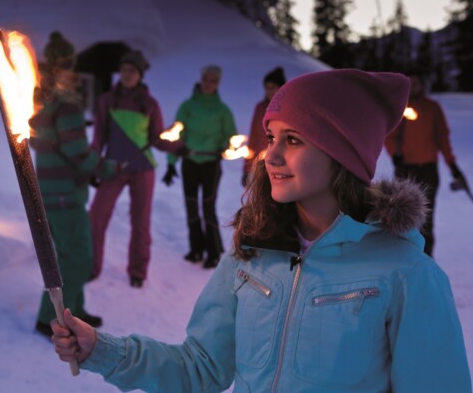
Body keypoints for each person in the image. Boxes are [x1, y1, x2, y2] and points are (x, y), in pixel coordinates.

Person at [50, 70, 471, 392]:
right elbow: (200, 367)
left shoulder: (407, 274)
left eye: (293, 140)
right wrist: (102, 350)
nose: (269, 155)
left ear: (343, 153)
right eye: (271, 137)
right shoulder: (251, 253)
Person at [28, 32, 120, 336]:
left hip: (50, 192)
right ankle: (50, 319)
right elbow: (77, 151)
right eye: (69, 65)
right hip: (65, 195)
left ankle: (75, 312)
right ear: (59, 68)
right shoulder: (66, 104)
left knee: (69, 254)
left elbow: (46, 144)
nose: (74, 71)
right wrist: (106, 168)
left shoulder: (42, 100)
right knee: (78, 258)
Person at [88, 49, 186, 288]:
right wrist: (94, 165)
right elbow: (98, 138)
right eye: (123, 70)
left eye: (132, 70)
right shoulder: (106, 101)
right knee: (96, 217)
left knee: (140, 221)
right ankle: (91, 266)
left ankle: (138, 271)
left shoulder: (150, 104)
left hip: (143, 170)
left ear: (140, 75)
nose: (127, 74)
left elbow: (157, 138)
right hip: (113, 167)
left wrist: (180, 147)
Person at [161, 65, 237, 269]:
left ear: (218, 83)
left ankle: (212, 251)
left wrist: (224, 147)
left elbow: (231, 135)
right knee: (191, 204)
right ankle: (196, 249)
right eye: (206, 79)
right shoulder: (188, 106)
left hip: (211, 163)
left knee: (208, 206)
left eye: (213, 80)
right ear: (201, 80)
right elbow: (177, 134)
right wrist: (171, 163)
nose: (208, 84)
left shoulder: (223, 110)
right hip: (190, 162)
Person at [385, 73, 465, 257]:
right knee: (404, 216)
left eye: (417, 83)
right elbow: (388, 136)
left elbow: (442, 138)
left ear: (423, 85)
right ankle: (406, 255)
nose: (414, 87)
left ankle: (426, 258)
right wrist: (394, 154)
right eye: (410, 83)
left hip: (428, 169)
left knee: (426, 217)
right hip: (405, 170)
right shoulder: (400, 108)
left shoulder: (432, 108)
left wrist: (451, 163)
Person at [242, 66, 286, 187]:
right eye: (267, 87)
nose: (269, 91)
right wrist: (247, 169)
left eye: (273, 87)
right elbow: (254, 138)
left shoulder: (288, 109)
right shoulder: (260, 108)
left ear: (281, 87)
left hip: (281, 163)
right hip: (262, 164)